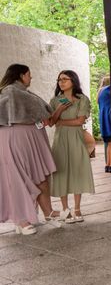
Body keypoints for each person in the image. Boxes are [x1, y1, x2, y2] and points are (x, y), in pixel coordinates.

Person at [0, 64, 66, 234]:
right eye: (29, 75)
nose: (31, 78)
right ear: (21, 75)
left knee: (40, 176)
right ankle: (21, 219)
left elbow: (42, 117)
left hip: (32, 137)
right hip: (17, 139)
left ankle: (48, 213)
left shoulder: (22, 92)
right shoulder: (10, 91)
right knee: (19, 178)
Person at [49, 70, 95, 223]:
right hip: (60, 139)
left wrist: (61, 122)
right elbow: (50, 122)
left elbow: (79, 121)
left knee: (76, 170)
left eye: (64, 79)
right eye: (59, 79)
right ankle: (65, 209)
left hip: (77, 138)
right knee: (62, 172)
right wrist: (60, 110)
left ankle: (77, 208)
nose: (61, 82)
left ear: (73, 81)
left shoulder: (82, 99)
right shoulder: (56, 100)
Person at [97, 76, 111, 173]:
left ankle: (108, 165)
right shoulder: (109, 90)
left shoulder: (100, 91)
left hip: (103, 117)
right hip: (110, 115)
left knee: (109, 143)